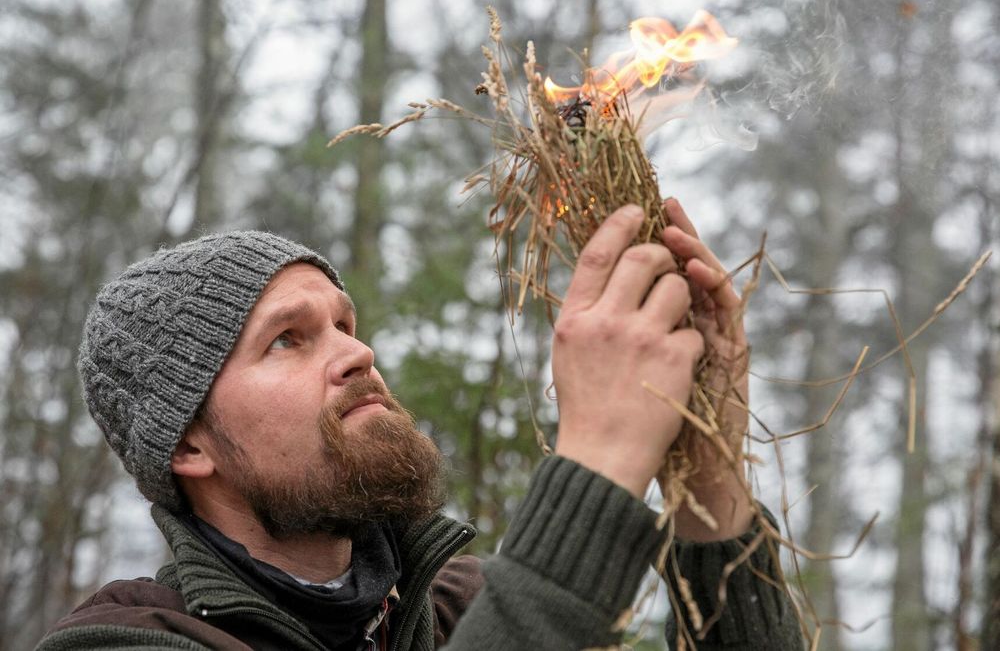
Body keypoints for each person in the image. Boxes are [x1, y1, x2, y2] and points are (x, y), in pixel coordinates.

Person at [38, 200, 803, 650]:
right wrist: (597, 461)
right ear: (187, 444)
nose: (357, 354)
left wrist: (709, 480)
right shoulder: (124, 639)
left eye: (345, 325)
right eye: (287, 340)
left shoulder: (461, 608)